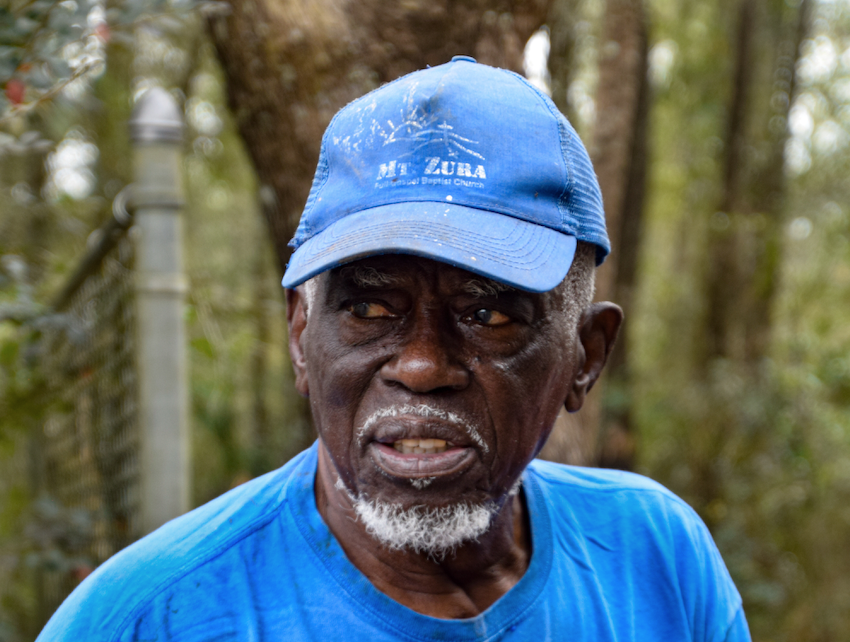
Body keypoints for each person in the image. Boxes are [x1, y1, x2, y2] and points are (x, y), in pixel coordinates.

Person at [39, 56, 750, 641]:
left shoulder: (655, 556)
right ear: (300, 336)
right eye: (371, 309)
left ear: (586, 356)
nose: (420, 366)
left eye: (489, 314)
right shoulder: (145, 620)